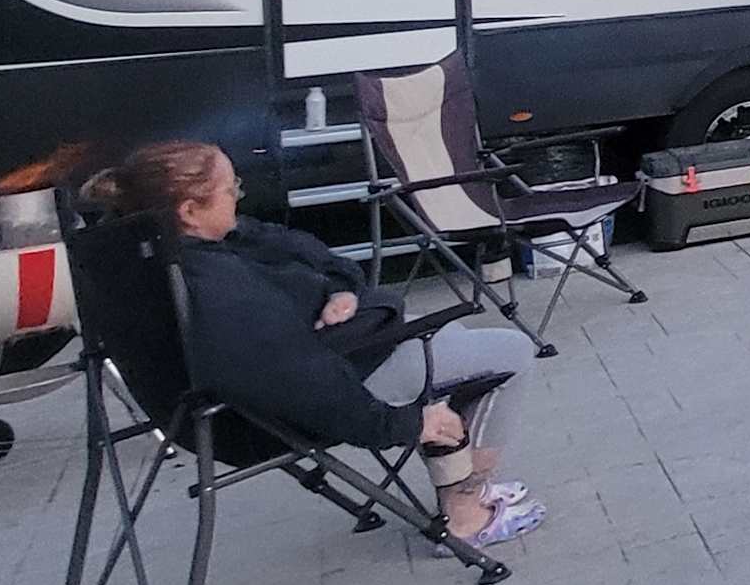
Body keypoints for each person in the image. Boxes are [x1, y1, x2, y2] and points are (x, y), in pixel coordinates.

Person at [82, 140, 546, 548]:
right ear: (188, 210)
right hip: (301, 401)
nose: (238, 196)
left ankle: (459, 490)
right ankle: (466, 513)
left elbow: (296, 247)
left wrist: (338, 288)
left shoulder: (153, 252)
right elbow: (288, 375)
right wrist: (398, 423)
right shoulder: (214, 285)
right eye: (230, 190)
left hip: (315, 363)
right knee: (512, 354)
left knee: (457, 342)